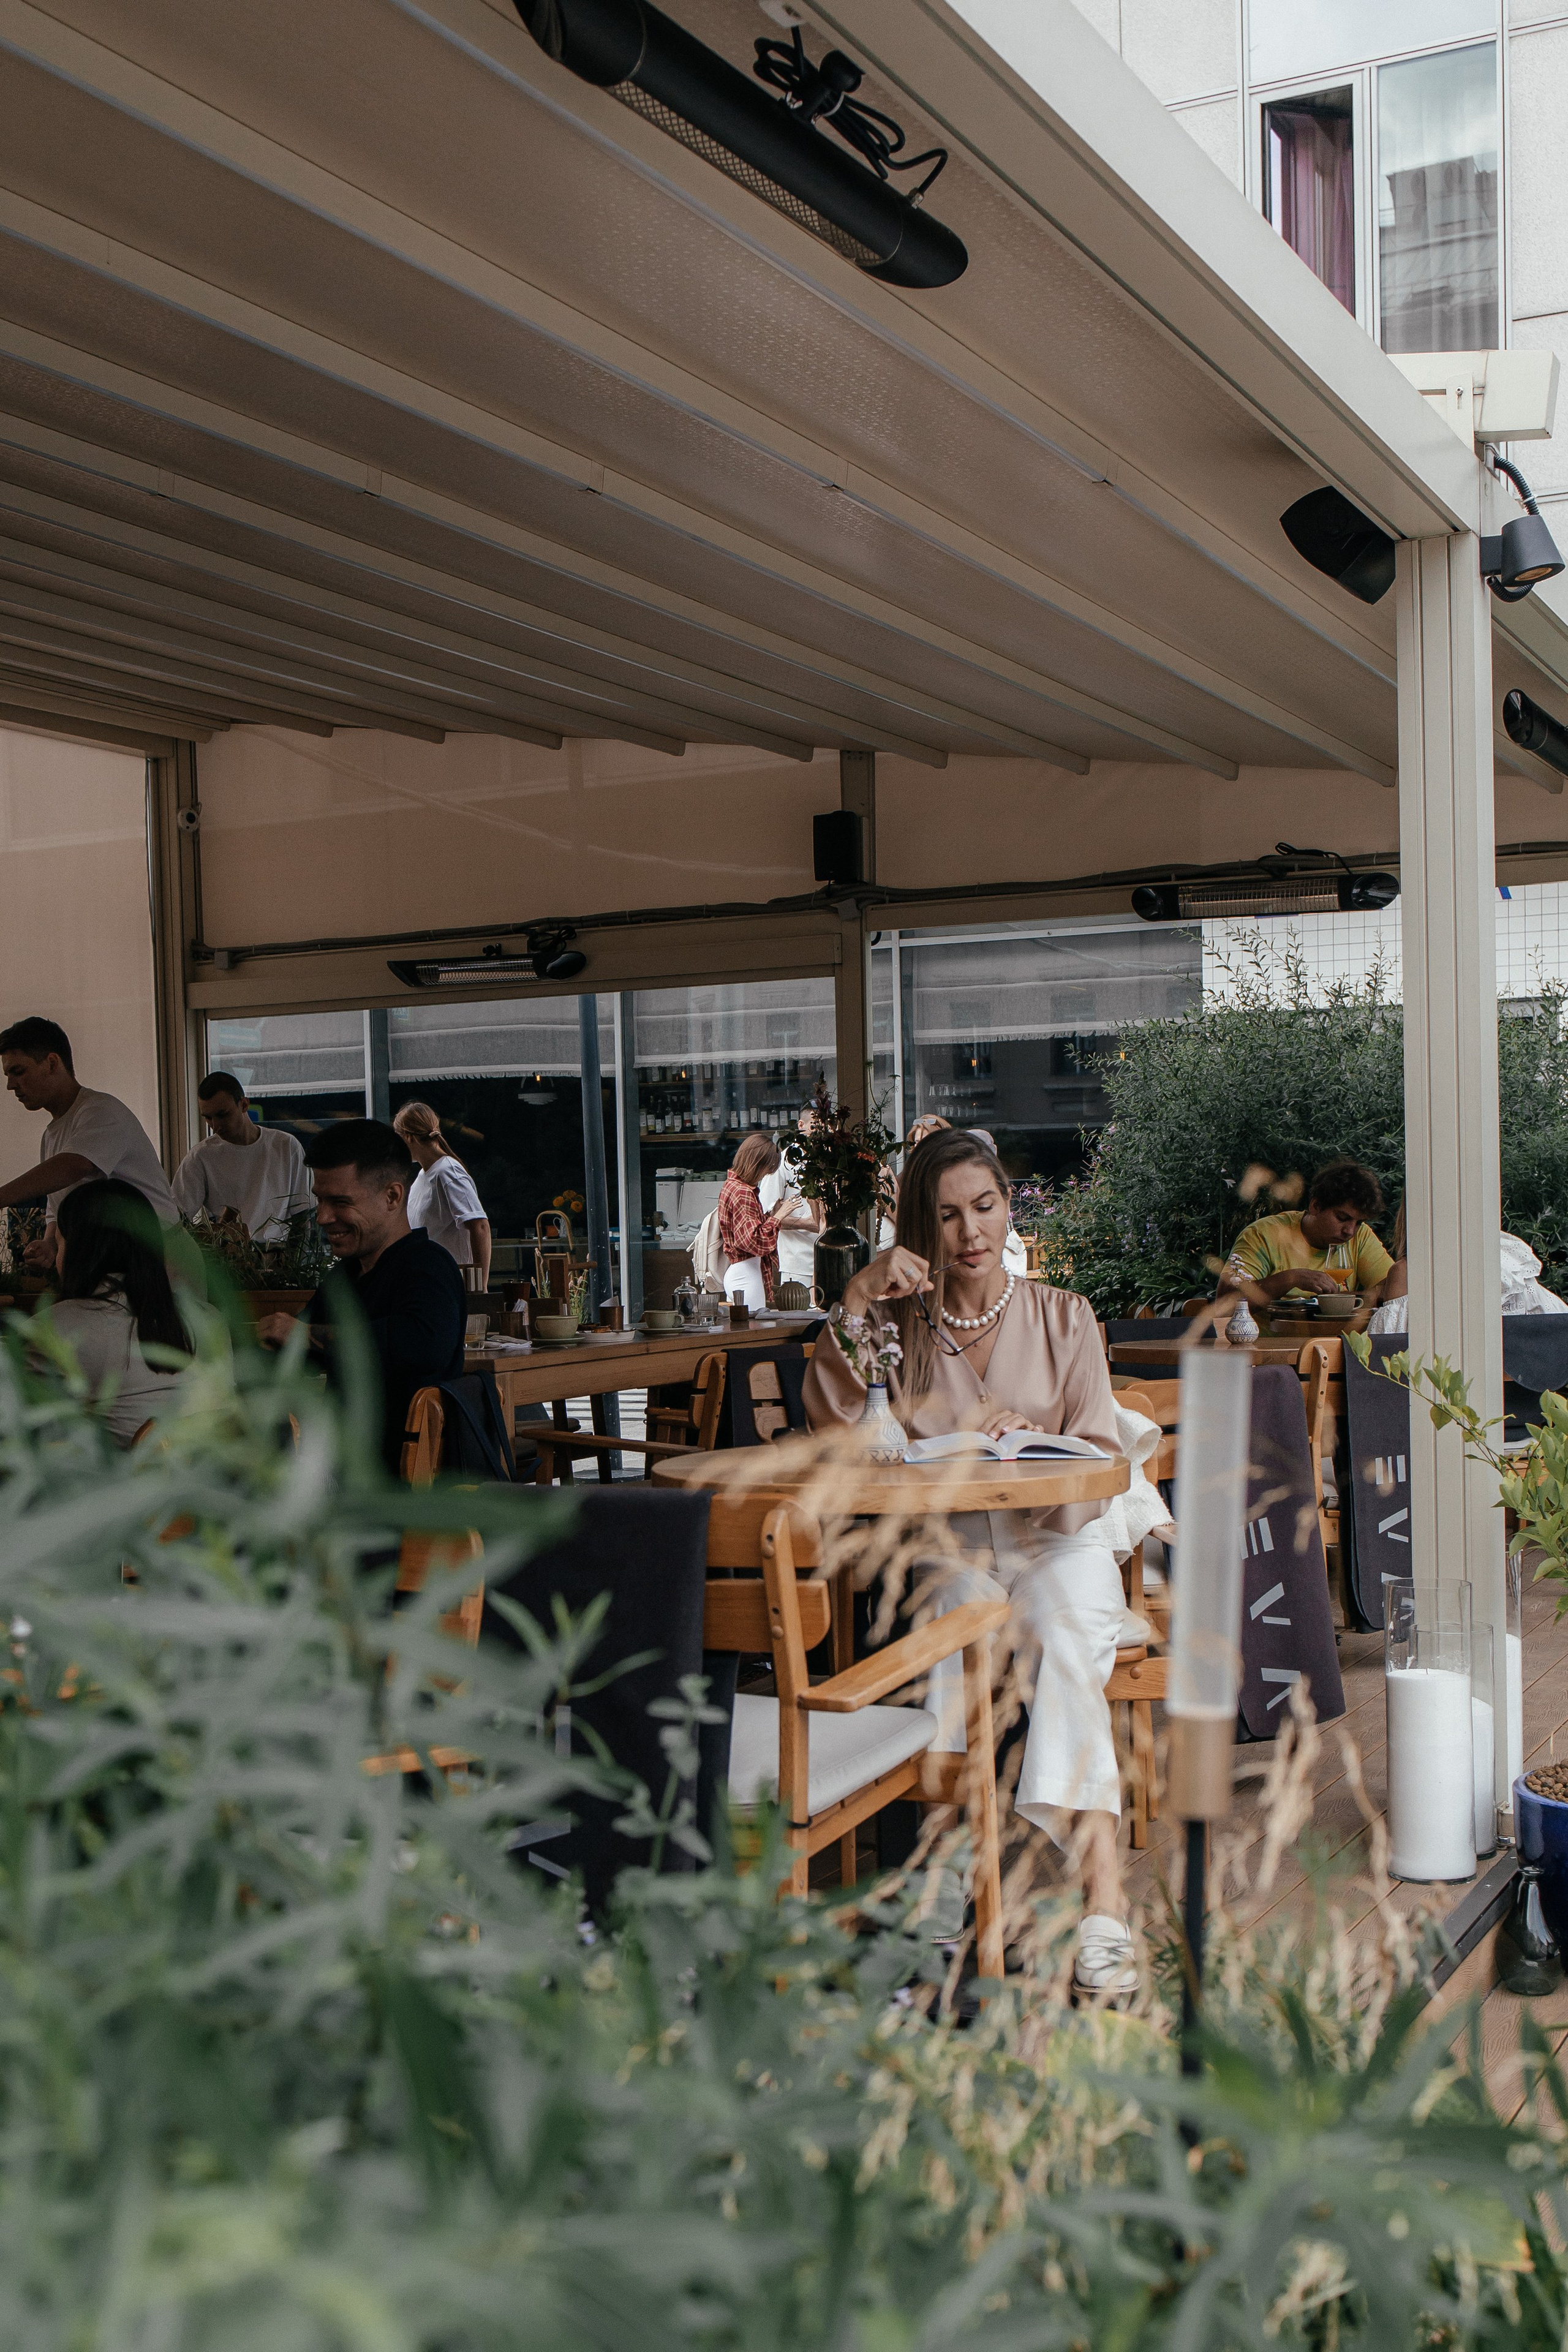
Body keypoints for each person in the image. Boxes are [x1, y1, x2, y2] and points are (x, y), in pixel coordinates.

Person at [802, 1126, 1136, 1997]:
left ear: (1005, 1207)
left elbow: (1100, 1455)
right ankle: (946, 1885)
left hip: (1058, 1537)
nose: (970, 1231)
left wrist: (1031, 1446)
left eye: (984, 1207)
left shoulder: (1066, 1316)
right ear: (923, 1224)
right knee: (955, 1621)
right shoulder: (893, 1328)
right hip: (949, 1546)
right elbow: (837, 1427)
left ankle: (1106, 1903)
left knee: (1061, 1634)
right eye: (947, 1215)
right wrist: (859, 1296)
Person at [255, 1119, 465, 1474]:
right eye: (320, 1200)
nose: (323, 1217)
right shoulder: (344, 1279)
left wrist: (306, 1335)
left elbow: (422, 1345)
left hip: (406, 1495)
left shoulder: (429, 1266)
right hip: (336, 1478)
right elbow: (292, 1354)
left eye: (340, 1202)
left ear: (393, 1197)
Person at [0, 1016, 178, 1266]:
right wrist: (50, 1243)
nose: (10, 1085)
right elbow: (57, 1207)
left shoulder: (101, 1111)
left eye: (18, 1072)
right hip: (112, 1264)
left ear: (52, 1063)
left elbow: (75, 1166)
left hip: (158, 1259)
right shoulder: (51, 1135)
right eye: (8, 1075)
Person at [40, 1177, 190, 1446]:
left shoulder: (56, 1325)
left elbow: (24, 1427)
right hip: (209, 1482)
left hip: (109, 1486)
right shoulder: (207, 1319)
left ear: (79, 1251)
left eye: (60, 1244)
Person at [1217, 1158, 1393, 1310]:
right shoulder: (1263, 1234)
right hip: (1273, 1347)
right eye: (1342, 1218)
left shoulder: (1361, 1236)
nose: (1350, 1231)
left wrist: (1339, 1300)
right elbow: (1225, 1303)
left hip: (1338, 1346)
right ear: (1315, 1206)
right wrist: (1289, 1279)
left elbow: (1394, 1289)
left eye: (1359, 1223)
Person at [1369, 1205, 1568, 1333]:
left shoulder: (1408, 1272)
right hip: (1518, 1385)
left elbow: (1387, 1357)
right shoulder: (1504, 1258)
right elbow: (1554, 1317)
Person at [173, 1071, 314, 1240]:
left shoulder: (286, 1146)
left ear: (244, 1105)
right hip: (227, 1258)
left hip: (278, 1256)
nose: (215, 1125)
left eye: (222, 1115)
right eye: (208, 1118)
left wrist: (293, 1263)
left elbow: (303, 1218)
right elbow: (176, 1218)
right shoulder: (200, 1157)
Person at [392, 1101, 492, 1289]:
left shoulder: (448, 1172)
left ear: (408, 1137)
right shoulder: (424, 1176)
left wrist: (480, 1288)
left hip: (451, 1285)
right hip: (430, 1283)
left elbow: (480, 1226)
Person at [717, 1133, 791, 1312]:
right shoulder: (743, 1192)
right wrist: (779, 1216)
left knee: (745, 1331)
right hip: (746, 1274)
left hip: (741, 1271)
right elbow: (753, 1241)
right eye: (766, 1170)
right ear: (757, 1165)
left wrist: (771, 1215)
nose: (765, 1175)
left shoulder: (732, 1185)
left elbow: (745, 1230)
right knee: (755, 1332)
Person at [758, 1108, 823, 1294]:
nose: (819, 1131)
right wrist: (806, 1224)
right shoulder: (784, 1162)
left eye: (823, 1126)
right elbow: (765, 1216)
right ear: (801, 1125)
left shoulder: (826, 1160)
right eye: (814, 1125)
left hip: (827, 1256)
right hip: (797, 1260)